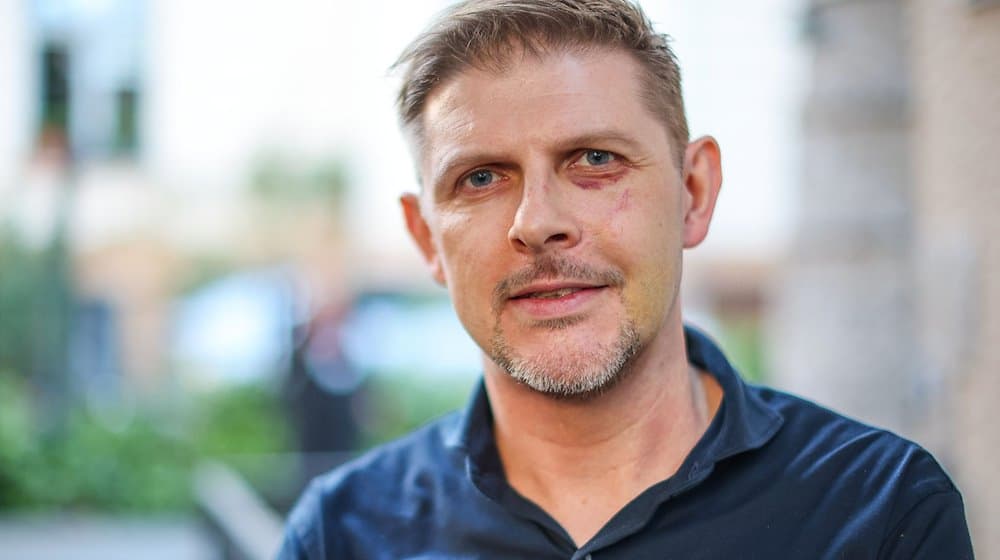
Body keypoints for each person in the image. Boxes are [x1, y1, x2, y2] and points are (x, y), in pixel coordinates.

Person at [278, 1, 973, 557]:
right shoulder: (342, 534)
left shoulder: (880, 512)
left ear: (694, 193)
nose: (538, 221)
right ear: (427, 236)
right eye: (482, 177)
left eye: (595, 160)